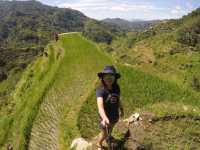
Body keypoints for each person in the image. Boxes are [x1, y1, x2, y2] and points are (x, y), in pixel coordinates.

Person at [96, 65, 124, 149]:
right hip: (105, 118)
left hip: (114, 115)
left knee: (111, 128)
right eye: (106, 76)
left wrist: (122, 109)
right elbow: (100, 107)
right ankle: (99, 143)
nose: (109, 78)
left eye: (111, 75)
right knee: (104, 133)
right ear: (103, 77)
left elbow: (118, 99)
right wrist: (104, 118)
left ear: (115, 77)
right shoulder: (100, 90)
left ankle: (109, 136)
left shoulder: (116, 88)